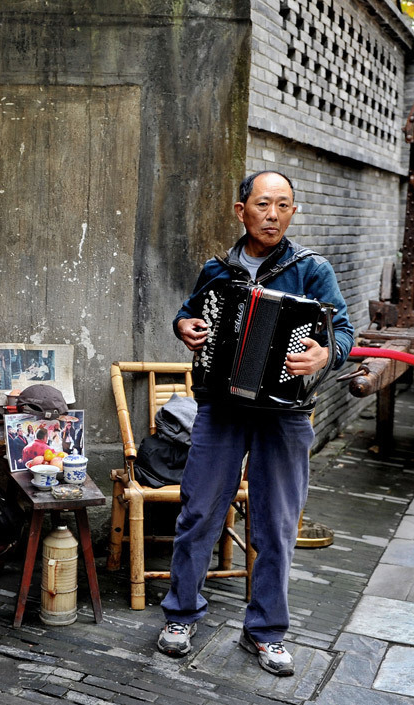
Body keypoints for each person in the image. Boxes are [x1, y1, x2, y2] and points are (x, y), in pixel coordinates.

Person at [157, 171, 354, 676]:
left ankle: (265, 632)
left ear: (292, 213)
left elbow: (345, 331)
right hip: (222, 408)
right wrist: (184, 327)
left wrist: (324, 354)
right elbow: (188, 312)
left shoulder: (312, 270)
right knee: (199, 512)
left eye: (284, 205)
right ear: (240, 209)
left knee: (276, 524)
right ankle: (181, 615)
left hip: (284, 415)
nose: (273, 214)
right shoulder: (217, 269)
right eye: (263, 204)